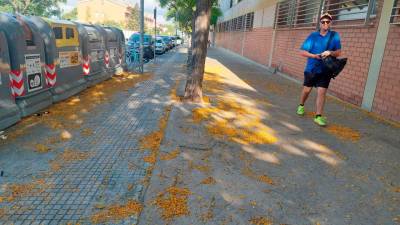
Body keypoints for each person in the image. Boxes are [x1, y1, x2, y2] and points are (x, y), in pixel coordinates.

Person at [297, 13, 342, 126]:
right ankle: (301, 105)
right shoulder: (313, 36)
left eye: (328, 22)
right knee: (307, 90)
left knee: (321, 92)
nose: (325, 24)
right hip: (312, 68)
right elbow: (302, 52)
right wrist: (314, 56)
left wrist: (330, 52)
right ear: (320, 23)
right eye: (323, 22)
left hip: (326, 70)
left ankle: (318, 116)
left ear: (331, 23)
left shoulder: (334, 36)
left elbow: (338, 52)